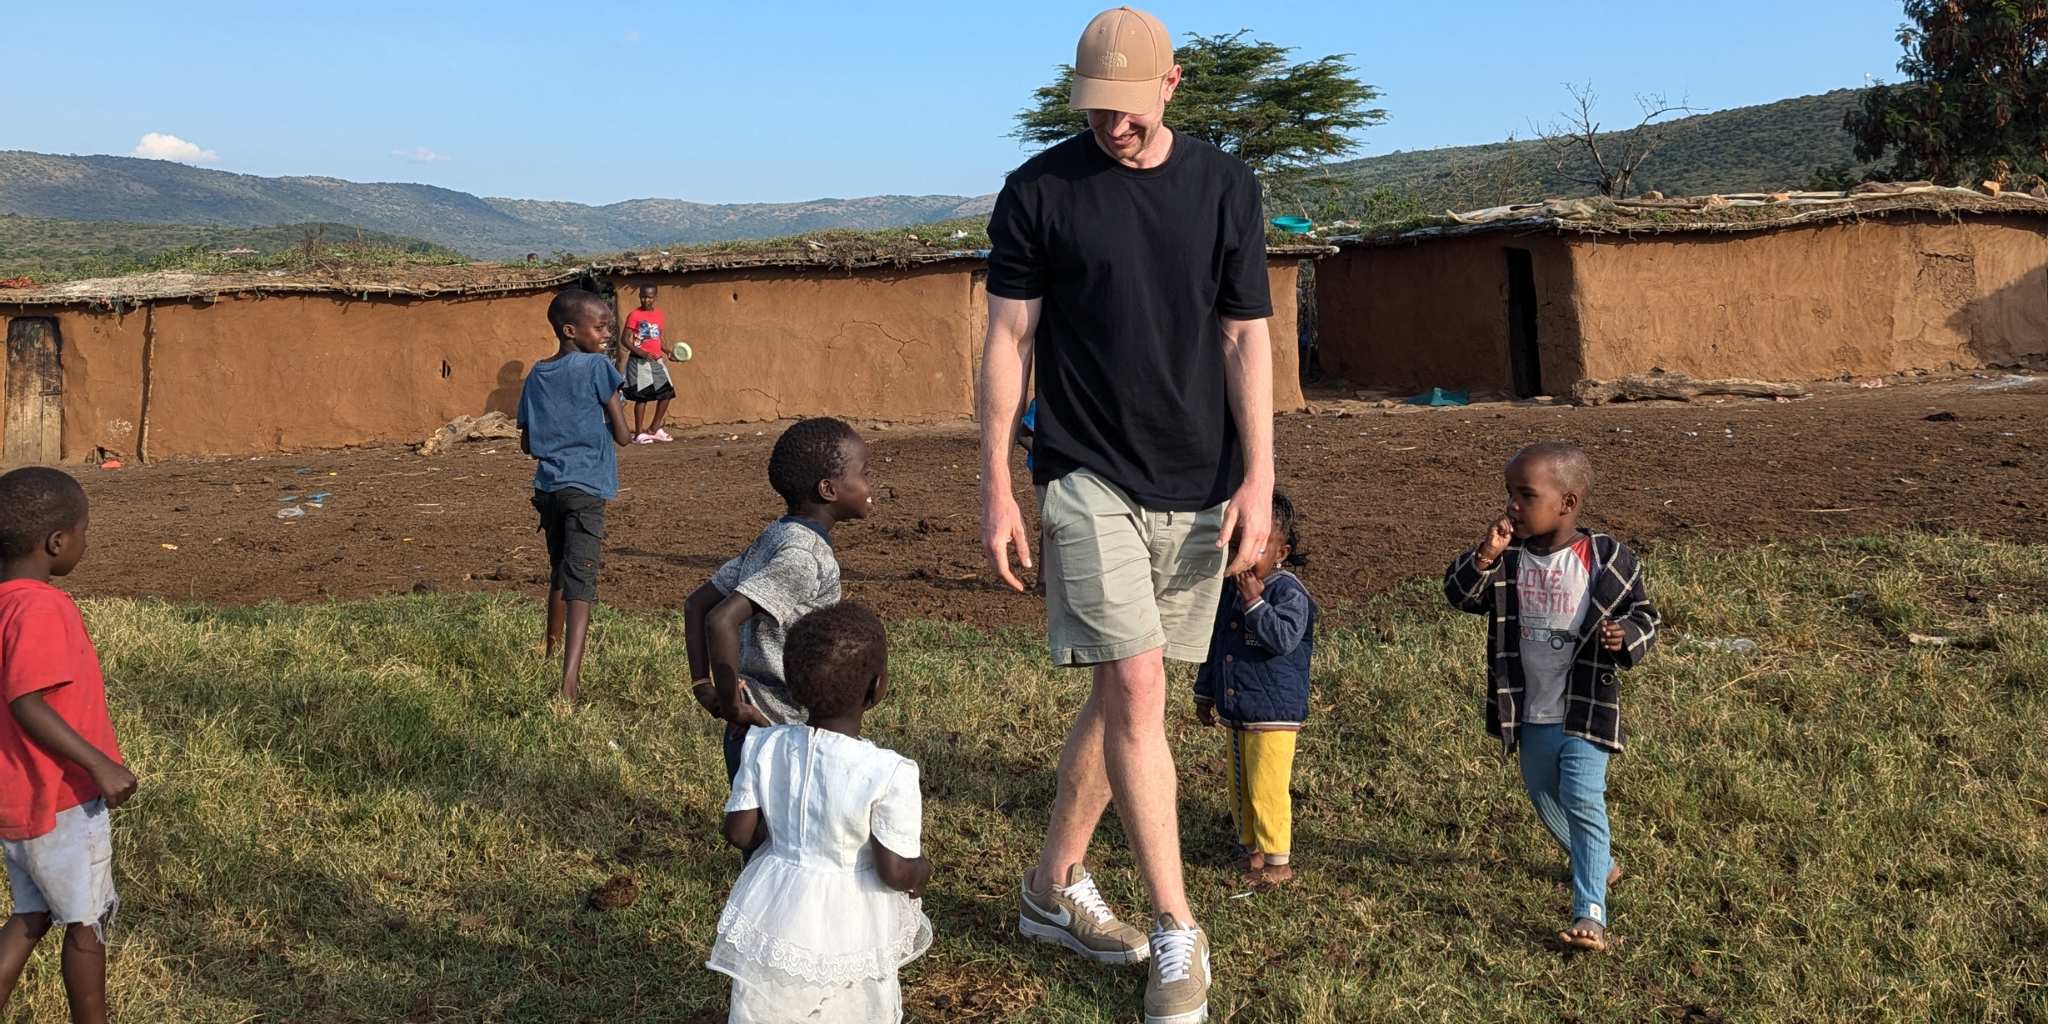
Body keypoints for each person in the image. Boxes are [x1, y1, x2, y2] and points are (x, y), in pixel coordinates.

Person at [978, 7, 1277, 1021]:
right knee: (1139, 686)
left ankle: (1049, 887)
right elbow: (1009, 340)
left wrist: (1258, 478)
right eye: (1093, 109)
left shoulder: (1226, 188)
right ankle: (1176, 929)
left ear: (1170, 84)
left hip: (1198, 479)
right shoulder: (1038, 193)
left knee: (1124, 695)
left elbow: (1244, 337)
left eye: (1127, 107)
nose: (1110, 125)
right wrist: (996, 480)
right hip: (1084, 470)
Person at [1443, 441, 1660, 953]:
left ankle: (1590, 911)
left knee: (1583, 798)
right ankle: (1601, 863)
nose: (1512, 505)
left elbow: (1646, 615)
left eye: (1526, 495)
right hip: (1529, 708)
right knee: (1543, 793)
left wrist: (1626, 636)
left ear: (1567, 503)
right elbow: (1459, 595)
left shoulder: (1606, 558)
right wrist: (1485, 555)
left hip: (1585, 707)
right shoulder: (1509, 558)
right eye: (1509, 493)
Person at [708, 603, 932, 1023]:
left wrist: (784, 838)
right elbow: (895, 871)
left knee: (769, 999)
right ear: (877, 688)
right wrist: (922, 871)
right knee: (851, 1002)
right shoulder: (888, 772)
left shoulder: (762, 745)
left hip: (775, 904)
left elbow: (738, 832)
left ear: (793, 686)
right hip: (853, 914)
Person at [0, 468, 140, 1024]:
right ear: (57, 542)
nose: (85, 541)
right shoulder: (41, 607)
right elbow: (26, 702)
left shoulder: (4, 605)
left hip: (19, 799)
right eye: (84, 531)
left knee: (30, 917)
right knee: (87, 924)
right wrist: (98, 764)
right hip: (60, 798)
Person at [685, 418, 874, 780]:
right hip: (779, 731)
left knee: (752, 816)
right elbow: (720, 619)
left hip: (750, 726)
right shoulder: (804, 558)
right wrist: (731, 705)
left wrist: (703, 685)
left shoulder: (775, 535)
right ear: (828, 489)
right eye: (864, 473)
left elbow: (696, 604)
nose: (870, 484)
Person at [1192, 491, 1313, 890]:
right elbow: (1217, 643)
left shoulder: (1288, 592)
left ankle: (1278, 861)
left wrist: (1255, 604)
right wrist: (1205, 691)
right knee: (1240, 785)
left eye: (1257, 546)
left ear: (1281, 552)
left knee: (1266, 787)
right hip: (1238, 707)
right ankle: (1251, 850)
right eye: (1237, 544)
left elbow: (1283, 638)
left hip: (1274, 713)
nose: (1244, 555)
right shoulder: (1231, 590)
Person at [518, 288, 633, 703]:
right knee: (581, 582)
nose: (607, 334)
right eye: (600, 327)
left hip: (548, 488)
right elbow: (623, 436)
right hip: (585, 488)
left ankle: (549, 648)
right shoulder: (598, 367)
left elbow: (527, 443)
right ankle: (568, 685)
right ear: (570, 330)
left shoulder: (536, 373)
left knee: (560, 570)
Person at [619, 284, 679, 444]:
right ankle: (639, 434)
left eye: (650, 297)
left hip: (656, 360)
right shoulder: (634, 315)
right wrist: (641, 352)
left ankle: (654, 429)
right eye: (643, 297)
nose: (646, 300)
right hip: (639, 362)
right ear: (640, 296)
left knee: (666, 393)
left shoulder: (658, 315)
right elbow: (624, 339)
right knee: (642, 397)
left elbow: (657, 338)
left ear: (655, 297)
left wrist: (667, 351)